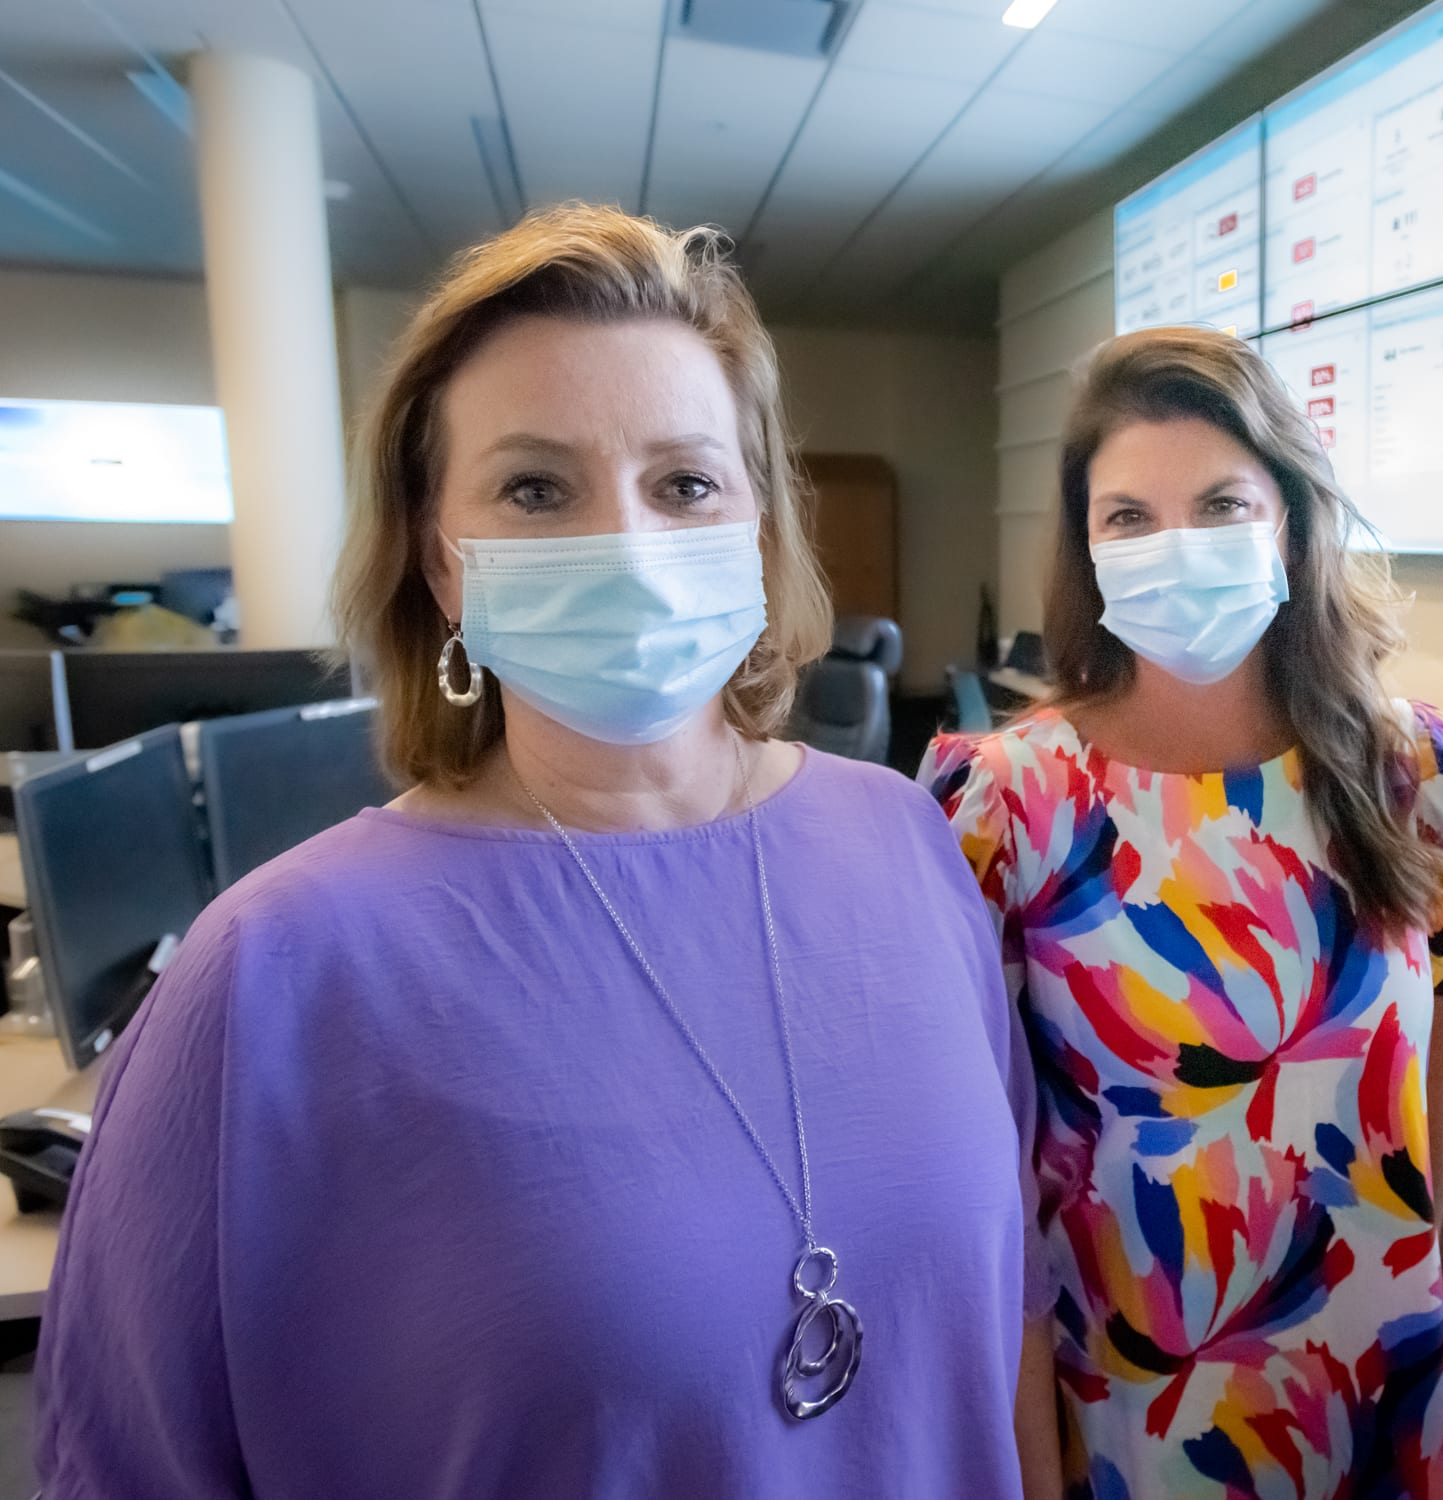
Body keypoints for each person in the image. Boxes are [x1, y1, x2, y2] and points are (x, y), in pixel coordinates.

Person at [37, 206, 1057, 1499]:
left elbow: (1008, 1290)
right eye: (535, 488)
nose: (625, 543)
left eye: (685, 482)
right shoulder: (274, 977)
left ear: (757, 526)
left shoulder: (906, 839)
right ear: (437, 559)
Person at [922, 327, 1443, 1499]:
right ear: (1087, 548)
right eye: (1130, 519)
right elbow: (971, 1165)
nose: (1176, 547)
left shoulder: (1424, 773)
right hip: (1136, 1398)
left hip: (1373, 1368)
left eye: (1219, 504)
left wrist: (1401, 1286)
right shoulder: (1006, 803)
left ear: (1292, 522)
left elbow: (1436, 1052)